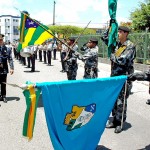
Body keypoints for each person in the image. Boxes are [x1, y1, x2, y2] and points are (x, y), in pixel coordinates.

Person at [101, 25, 136, 133]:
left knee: (121, 101)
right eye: (118, 32)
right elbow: (104, 37)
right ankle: (114, 120)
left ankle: (119, 122)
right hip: (114, 77)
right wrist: (111, 27)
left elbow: (123, 60)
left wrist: (111, 55)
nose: (118, 34)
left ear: (126, 33)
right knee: (114, 100)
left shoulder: (130, 46)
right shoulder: (116, 44)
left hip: (123, 78)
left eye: (120, 32)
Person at [0, 34, 14, 103]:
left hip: (4, 69)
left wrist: (12, 68)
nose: (0, 41)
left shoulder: (7, 49)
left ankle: (4, 96)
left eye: (1, 40)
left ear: (3, 40)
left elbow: (10, 59)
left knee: (3, 83)